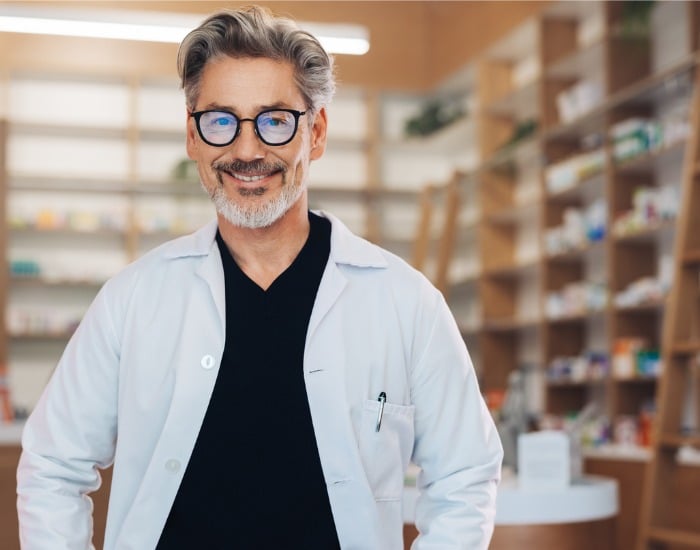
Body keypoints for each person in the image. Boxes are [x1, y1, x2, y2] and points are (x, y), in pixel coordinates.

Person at [16, 5, 502, 549]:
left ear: (314, 132)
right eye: (221, 120)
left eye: (274, 120)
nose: (247, 150)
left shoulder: (405, 302)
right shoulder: (133, 299)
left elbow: (466, 474)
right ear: (193, 137)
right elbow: (53, 466)